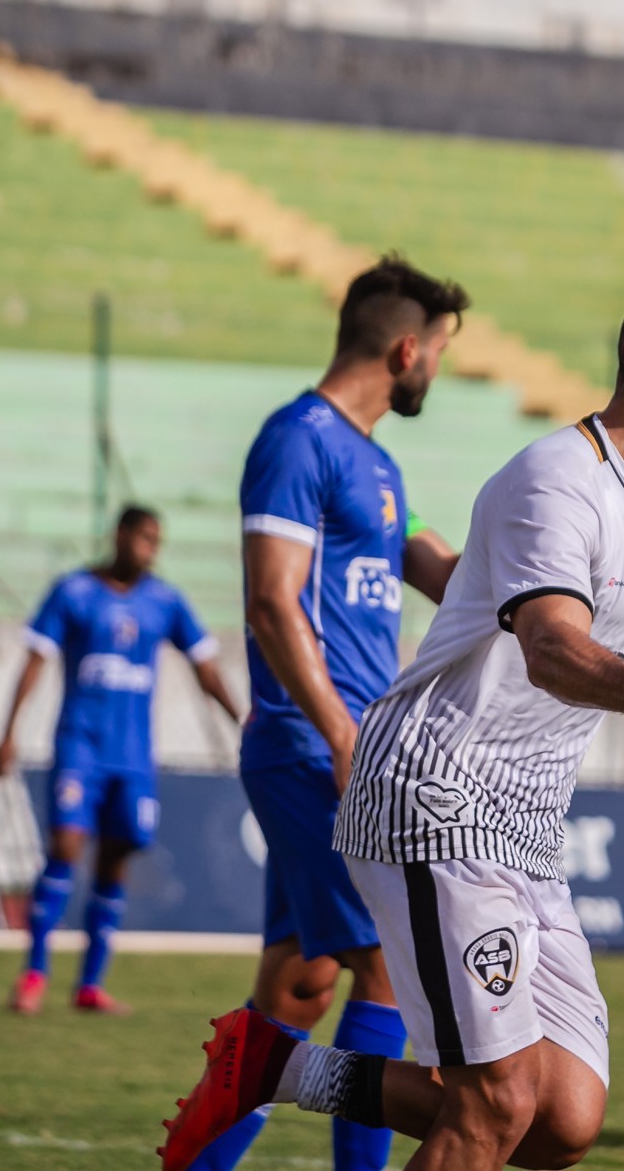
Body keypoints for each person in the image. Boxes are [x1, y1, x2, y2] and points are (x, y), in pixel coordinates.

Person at [157, 273, 624, 1171]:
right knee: (494, 1101)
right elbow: (551, 648)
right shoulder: (553, 481)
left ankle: (275, 1062)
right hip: (432, 794)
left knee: (562, 1118)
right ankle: (276, 1064)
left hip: (524, 828)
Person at [198, 256, 469, 1171]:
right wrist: (342, 731)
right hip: (316, 746)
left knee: (299, 988)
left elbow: (437, 566)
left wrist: (548, 588)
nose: (440, 367)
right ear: (405, 349)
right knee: (392, 965)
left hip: (341, 747)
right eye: (439, 351)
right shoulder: (297, 439)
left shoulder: (373, 459)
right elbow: (274, 602)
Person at [0, 504, 241, 1015]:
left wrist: (245, 719)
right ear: (121, 535)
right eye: (145, 538)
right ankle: (35, 972)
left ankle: (90, 984)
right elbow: (34, 662)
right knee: (65, 847)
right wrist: (8, 734)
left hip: (133, 758)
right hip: (79, 747)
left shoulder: (164, 600)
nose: (150, 549)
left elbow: (204, 665)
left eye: (157, 542)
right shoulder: (74, 592)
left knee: (117, 859)